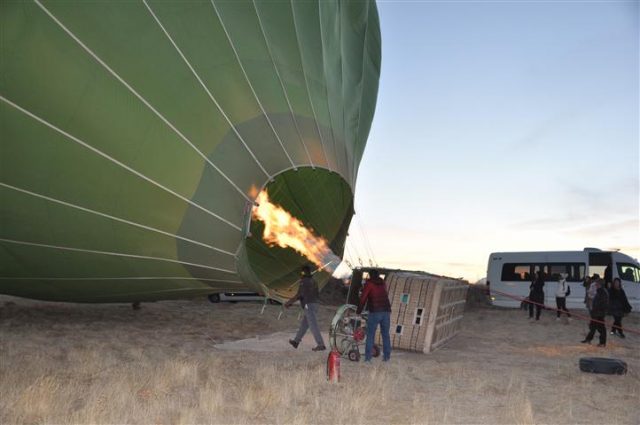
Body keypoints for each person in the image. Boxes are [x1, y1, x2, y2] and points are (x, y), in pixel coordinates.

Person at [285, 265, 326, 351]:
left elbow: (300, 294)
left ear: (303, 273)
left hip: (309, 305)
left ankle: (321, 344)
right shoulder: (314, 281)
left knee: (313, 325)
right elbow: (316, 294)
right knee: (304, 325)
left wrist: (289, 302)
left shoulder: (303, 281)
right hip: (314, 304)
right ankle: (296, 341)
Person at [356, 269, 391, 362]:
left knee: (370, 335)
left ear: (370, 275)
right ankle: (387, 357)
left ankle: (368, 359)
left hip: (375, 312)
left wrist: (358, 311)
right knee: (386, 335)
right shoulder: (382, 283)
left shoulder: (369, 284)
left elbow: (363, 298)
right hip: (386, 311)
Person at [581, 280, 609, 347]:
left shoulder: (602, 292)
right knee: (593, 327)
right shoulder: (600, 291)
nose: (595, 285)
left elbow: (602, 304)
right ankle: (588, 339)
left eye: (596, 284)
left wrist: (598, 311)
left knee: (601, 328)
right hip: (596, 313)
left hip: (599, 313)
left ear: (600, 285)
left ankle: (602, 343)